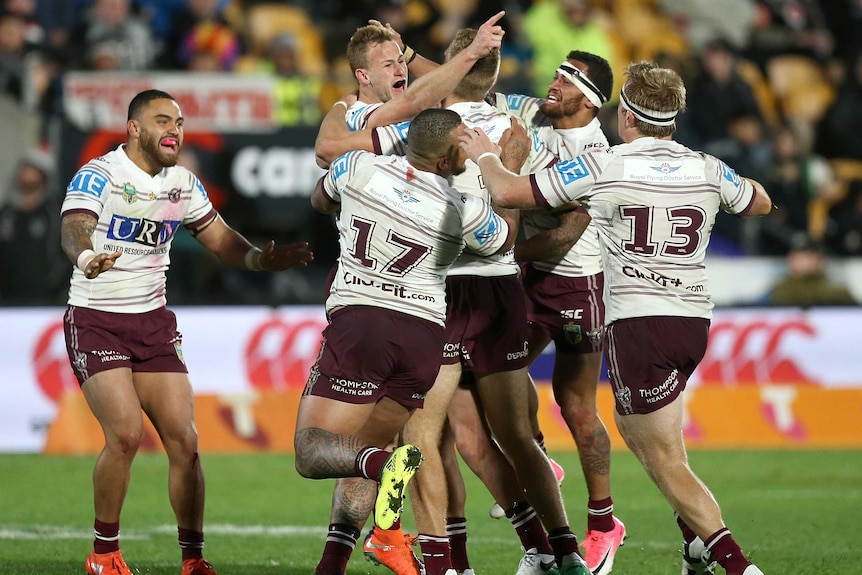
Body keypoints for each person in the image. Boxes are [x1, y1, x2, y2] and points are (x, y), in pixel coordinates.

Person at [459, 61, 773, 575]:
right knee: (669, 448)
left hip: (639, 323)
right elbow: (758, 201)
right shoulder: (707, 167)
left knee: (662, 463)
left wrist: (489, 156)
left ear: (625, 115)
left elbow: (509, 194)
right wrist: (737, 187)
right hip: (693, 324)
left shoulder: (605, 165)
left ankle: (738, 565)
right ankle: (694, 546)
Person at [60, 89, 314, 575]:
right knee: (127, 435)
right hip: (97, 319)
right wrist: (89, 257)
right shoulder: (100, 174)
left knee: (186, 440)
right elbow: (75, 226)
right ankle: (104, 553)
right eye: (162, 120)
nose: (174, 128)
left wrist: (261, 258)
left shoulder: (184, 183)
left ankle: (193, 559)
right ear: (134, 129)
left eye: (178, 120)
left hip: (153, 323)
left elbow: (219, 240)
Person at [310, 15, 505, 575]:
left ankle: (395, 539)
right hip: (371, 295)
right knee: (374, 443)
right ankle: (400, 539)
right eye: (390, 63)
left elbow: (324, 186)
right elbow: (332, 156)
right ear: (361, 78)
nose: (403, 70)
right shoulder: (356, 117)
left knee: (402, 441)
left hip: (420, 297)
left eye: (404, 61)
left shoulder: (419, 124)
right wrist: (466, 56)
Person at [490, 50, 627, 575]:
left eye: (568, 79)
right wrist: (415, 56)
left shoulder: (595, 155)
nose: (554, 82)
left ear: (590, 100)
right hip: (526, 279)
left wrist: (499, 250)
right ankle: (541, 458)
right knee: (495, 377)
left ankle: (602, 524)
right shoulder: (532, 114)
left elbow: (565, 236)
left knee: (577, 405)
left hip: (575, 286)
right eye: (557, 72)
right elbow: (474, 84)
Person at [0, 148, 66, 304]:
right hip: (8, 299)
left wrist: (53, 283)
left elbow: (62, 254)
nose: (24, 173)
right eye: (23, 168)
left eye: (31, 169)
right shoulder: (8, 213)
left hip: (44, 299)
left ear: (43, 175)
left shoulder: (54, 213)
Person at [767, 236, 857, 307]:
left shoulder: (837, 292)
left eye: (804, 256)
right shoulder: (780, 290)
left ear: (819, 259)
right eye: (794, 256)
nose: (797, 261)